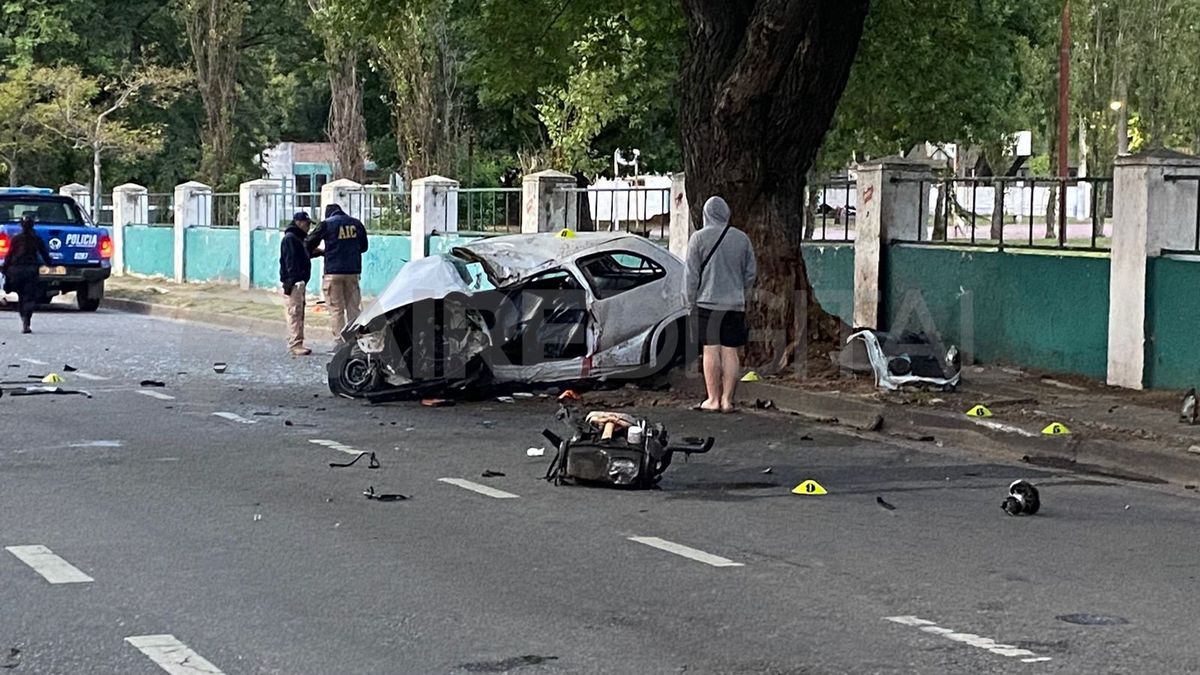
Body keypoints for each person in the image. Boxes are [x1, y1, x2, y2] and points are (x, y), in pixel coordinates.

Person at [685, 196, 756, 413]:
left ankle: (712, 399)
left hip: (706, 303)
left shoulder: (698, 239)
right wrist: (740, 291)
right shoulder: (742, 238)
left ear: (706, 214)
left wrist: (689, 302)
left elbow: (690, 275)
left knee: (710, 350)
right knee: (730, 351)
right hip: (734, 304)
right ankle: (727, 400)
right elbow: (751, 273)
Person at [306, 203, 368, 346]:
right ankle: (355, 341)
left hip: (333, 273)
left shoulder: (326, 224)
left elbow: (308, 243)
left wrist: (320, 252)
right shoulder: (356, 223)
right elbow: (364, 247)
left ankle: (340, 343)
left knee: (336, 310)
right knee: (353, 308)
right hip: (353, 272)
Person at [2, 213, 51, 334]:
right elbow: (44, 254)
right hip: (31, 271)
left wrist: (5, 268)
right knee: (29, 297)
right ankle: (26, 321)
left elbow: (9, 255)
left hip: (17, 271)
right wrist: (50, 264)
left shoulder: (16, 239)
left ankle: (24, 318)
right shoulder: (36, 239)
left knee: (21, 296)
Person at [279, 211, 314, 356]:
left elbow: (303, 256)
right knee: (295, 312)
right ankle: (295, 344)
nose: (308, 227)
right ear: (299, 223)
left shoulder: (297, 238)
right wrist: (295, 280)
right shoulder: (291, 239)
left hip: (299, 281)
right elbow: (290, 261)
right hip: (295, 282)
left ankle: (298, 342)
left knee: (299, 312)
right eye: (306, 224)